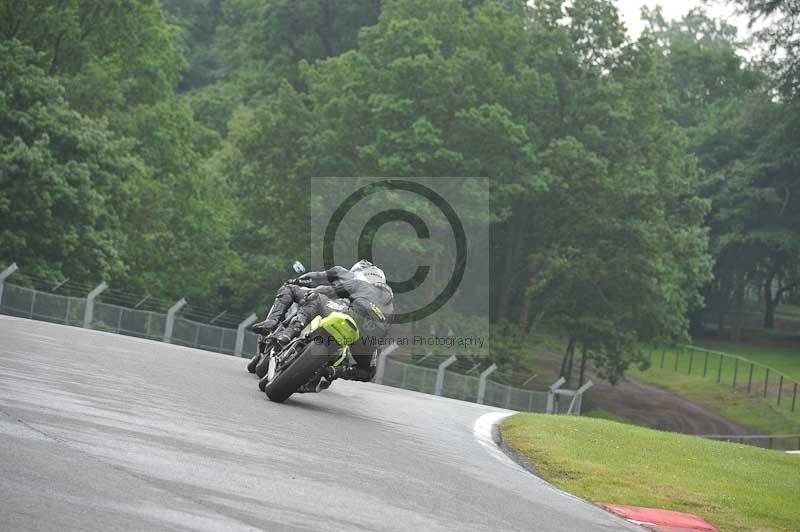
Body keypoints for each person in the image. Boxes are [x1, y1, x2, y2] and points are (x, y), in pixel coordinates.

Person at [269, 259, 394, 390]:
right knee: (368, 372)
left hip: (347, 314)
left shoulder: (359, 283)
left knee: (316, 299)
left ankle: (291, 331)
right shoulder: (390, 308)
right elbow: (383, 334)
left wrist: (313, 292)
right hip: (367, 336)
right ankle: (333, 372)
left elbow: (329, 290)